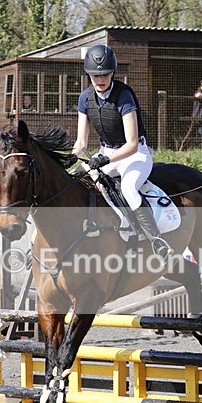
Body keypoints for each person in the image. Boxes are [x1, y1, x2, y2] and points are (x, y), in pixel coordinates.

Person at [72, 45, 172, 261]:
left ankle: (156, 241)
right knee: (74, 181)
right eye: (95, 75)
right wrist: (70, 160)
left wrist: (105, 158)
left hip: (134, 156)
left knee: (128, 188)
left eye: (105, 74)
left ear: (113, 72)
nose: (100, 79)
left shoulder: (124, 96)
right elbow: (81, 142)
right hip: (104, 155)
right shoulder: (85, 98)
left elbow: (132, 143)